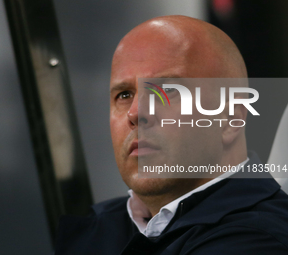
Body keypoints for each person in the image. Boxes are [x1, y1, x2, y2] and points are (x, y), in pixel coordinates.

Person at [55, 15, 288, 254]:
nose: (135, 113)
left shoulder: (258, 239)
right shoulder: (99, 226)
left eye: (166, 91)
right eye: (124, 95)